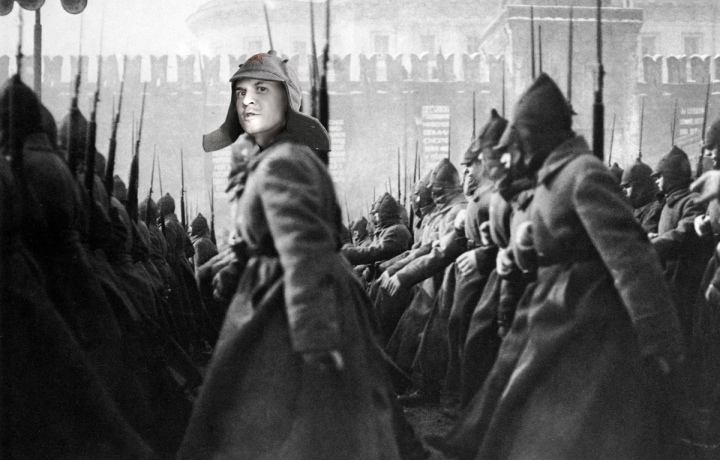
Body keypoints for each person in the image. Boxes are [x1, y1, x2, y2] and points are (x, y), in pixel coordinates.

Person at [178, 50, 400, 459]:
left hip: (293, 305)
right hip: (277, 294)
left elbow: (303, 248)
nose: (249, 101)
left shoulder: (283, 163)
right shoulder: (269, 161)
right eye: (242, 92)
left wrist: (313, 336)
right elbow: (260, 237)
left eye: (262, 90)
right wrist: (230, 266)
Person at [461, 74, 685, 459]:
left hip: (592, 323)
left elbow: (631, 260)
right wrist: (515, 260)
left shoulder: (584, 174)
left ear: (542, 132)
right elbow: (540, 247)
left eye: (524, 135)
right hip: (550, 313)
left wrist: (658, 339)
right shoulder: (547, 179)